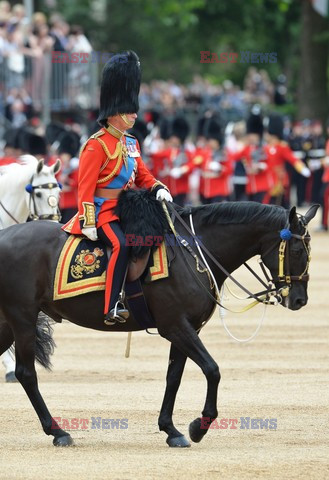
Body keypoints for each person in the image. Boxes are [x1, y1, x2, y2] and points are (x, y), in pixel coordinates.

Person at [62, 51, 172, 326]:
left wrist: (158, 187)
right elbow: (85, 187)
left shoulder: (131, 142)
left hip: (126, 208)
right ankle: (111, 305)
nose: (134, 114)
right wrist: (88, 219)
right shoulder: (96, 144)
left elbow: (143, 175)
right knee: (121, 244)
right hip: (102, 211)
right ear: (113, 112)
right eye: (128, 110)